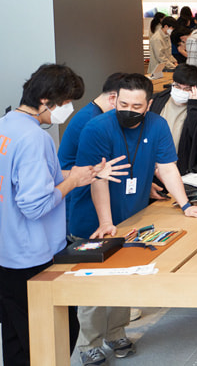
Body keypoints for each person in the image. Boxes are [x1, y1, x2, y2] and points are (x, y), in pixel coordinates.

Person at [72, 73, 197, 366]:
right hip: (93, 219)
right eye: (122, 103)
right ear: (115, 100)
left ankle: (115, 333)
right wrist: (105, 222)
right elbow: (97, 180)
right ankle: (89, 344)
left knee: (122, 277)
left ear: (148, 104)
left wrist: (186, 204)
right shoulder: (96, 128)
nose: (128, 110)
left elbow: (167, 168)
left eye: (136, 106)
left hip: (129, 216)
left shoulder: (157, 125)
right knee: (94, 286)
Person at [0, 64, 127, 366]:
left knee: (17, 338)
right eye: (66, 101)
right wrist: (71, 183)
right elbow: (35, 204)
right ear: (46, 100)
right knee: (52, 337)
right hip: (33, 254)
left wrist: (80, 173)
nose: (68, 109)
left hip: (7, 251)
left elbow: (32, 179)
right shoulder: (35, 139)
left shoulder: (7, 126)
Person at [58, 73, 126, 227]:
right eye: (125, 103)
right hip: (77, 194)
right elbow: (99, 169)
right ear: (112, 98)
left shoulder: (94, 114)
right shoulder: (93, 123)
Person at [149, 64, 197, 175]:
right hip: (152, 167)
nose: (181, 91)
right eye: (177, 86)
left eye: (187, 88)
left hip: (180, 169)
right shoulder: (158, 100)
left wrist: (194, 106)